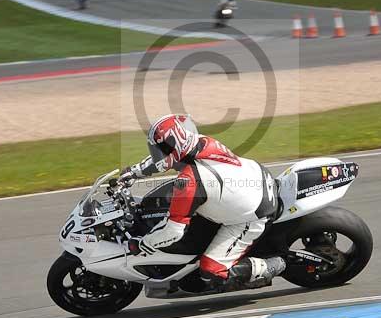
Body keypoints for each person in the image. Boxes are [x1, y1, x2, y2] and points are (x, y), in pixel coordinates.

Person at [120, 114, 286, 289]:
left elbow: (173, 232)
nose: (157, 154)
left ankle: (277, 264)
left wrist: (144, 244)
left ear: (175, 146)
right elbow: (164, 160)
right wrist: (134, 171)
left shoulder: (190, 182)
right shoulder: (200, 142)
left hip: (254, 214)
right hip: (256, 177)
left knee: (212, 271)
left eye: (161, 149)